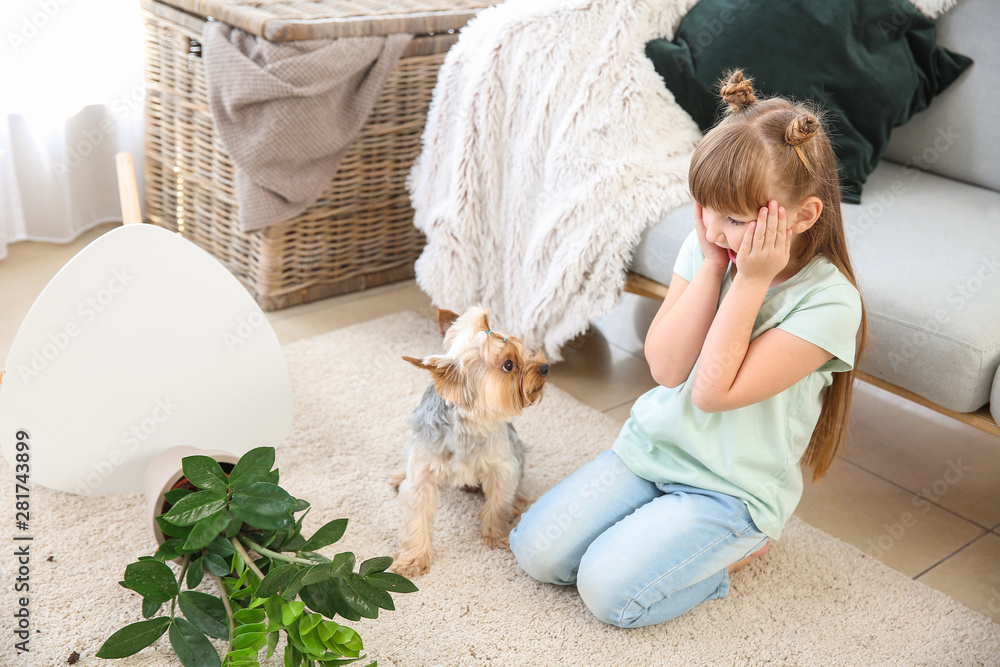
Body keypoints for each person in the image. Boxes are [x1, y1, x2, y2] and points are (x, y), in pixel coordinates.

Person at [509, 70, 867, 629]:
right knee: (537, 552)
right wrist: (713, 268)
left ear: (804, 216)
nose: (716, 231)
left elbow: (710, 393)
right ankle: (657, 529)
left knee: (609, 594)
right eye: (707, 210)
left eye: (737, 220)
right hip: (653, 451)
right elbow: (669, 368)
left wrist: (749, 282)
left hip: (729, 490)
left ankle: (732, 555)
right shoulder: (710, 248)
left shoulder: (830, 303)